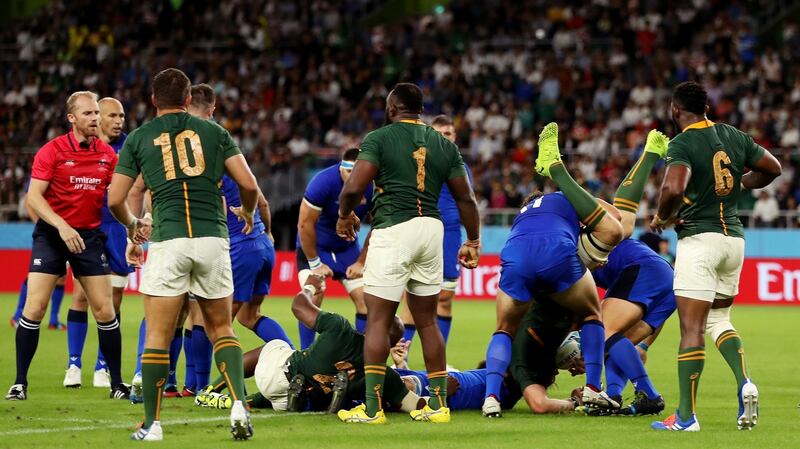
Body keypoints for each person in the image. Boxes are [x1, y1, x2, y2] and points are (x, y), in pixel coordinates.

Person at [109, 68, 258, 441]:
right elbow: (249, 184)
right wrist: (250, 212)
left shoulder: (140, 138)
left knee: (158, 335)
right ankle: (238, 405)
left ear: (153, 100)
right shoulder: (215, 132)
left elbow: (114, 198)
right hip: (212, 239)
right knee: (222, 328)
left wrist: (132, 225)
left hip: (168, 239)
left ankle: (152, 425)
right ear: (189, 99)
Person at [336, 83, 481, 424]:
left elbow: (354, 187)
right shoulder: (444, 145)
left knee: (378, 319)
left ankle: (373, 410)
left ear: (391, 109)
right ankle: (439, 406)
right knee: (428, 320)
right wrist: (473, 241)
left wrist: (345, 216)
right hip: (431, 230)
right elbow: (467, 199)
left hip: (394, 228)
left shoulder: (379, 139)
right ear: (420, 111)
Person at [650, 81, 781, 432]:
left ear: (676, 111)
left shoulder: (682, 142)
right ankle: (745, 383)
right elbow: (773, 167)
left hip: (699, 241)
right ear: (706, 108)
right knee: (718, 319)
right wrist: (740, 183)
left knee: (691, 328)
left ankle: (686, 417)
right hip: (733, 241)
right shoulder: (733, 135)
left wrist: (662, 216)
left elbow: (673, 187)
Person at [481, 122, 623, 418]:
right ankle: (594, 389)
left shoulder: (521, 215)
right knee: (591, 315)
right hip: (555, 251)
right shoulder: (564, 198)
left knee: (504, 329)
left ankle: (490, 397)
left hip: (515, 255)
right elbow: (615, 217)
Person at [6, 91, 127, 401]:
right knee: (35, 308)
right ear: (72, 118)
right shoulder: (52, 150)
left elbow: (116, 200)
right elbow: (33, 198)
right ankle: (20, 383)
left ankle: (116, 384)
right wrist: (61, 225)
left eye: (97, 113)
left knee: (105, 310)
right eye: (88, 114)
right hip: (51, 234)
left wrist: (134, 224)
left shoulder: (108, 155)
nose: (95, 119)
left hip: (88, 237)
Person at [195, 271, 421, 415]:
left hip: (275, 373)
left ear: (370, 327)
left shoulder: (339, 328)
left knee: (274, 346)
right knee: (306, 387)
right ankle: (299, 392)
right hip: (291, 402)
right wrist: (437, 399)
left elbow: (298, 307)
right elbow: (414, 405)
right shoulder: (385, 374)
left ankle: (213, 390)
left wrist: (310, 287)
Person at [587, 130, 675, 416]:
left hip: (642, 271)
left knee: (604, 331)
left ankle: (649, 393)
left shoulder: (572, 240)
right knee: (617, 340)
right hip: (663, 280)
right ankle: (613, 396)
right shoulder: (586, 235)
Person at [398, 297, 586, 415]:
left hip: (446, 383)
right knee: (386, 384)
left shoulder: (506, 377)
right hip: (443, 385)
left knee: (386, 382)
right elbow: (541, 404)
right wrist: (573, 402)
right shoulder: (515, 378)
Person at [63, 97, 135, 389]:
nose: (119, 121)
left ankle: (102, 366)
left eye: (122, 116)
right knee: (81, 295)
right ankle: (73, 364)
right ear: (97, 117)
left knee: (113, 300)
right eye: (112, 115)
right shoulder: (82, 144)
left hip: (117, 228)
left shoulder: (130, 146)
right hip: (88, 226)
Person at [400, 114, 473, 361]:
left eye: (449, 134)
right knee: (411, 300)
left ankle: (438, 358)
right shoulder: (416, 162)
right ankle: (403, 359)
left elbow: (468, 204)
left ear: (455, 137)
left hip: (450, 236)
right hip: (418, 232)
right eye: (439, 134)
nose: (445, 138)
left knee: (444, 299)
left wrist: (474, 239)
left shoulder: (461, 167)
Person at [296, 147, 373, 348]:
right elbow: (304, 224)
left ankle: (361, 357)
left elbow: (380, 225)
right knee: (314, 293)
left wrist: (361, 261)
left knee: (367, 301)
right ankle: (306, 356)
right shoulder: (323, 182)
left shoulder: (372, 185)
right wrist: (315, 263)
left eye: (358, 173)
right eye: (349, 172)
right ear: (341, 168)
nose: (353, 178)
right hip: (315, 247)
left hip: (346, 249)